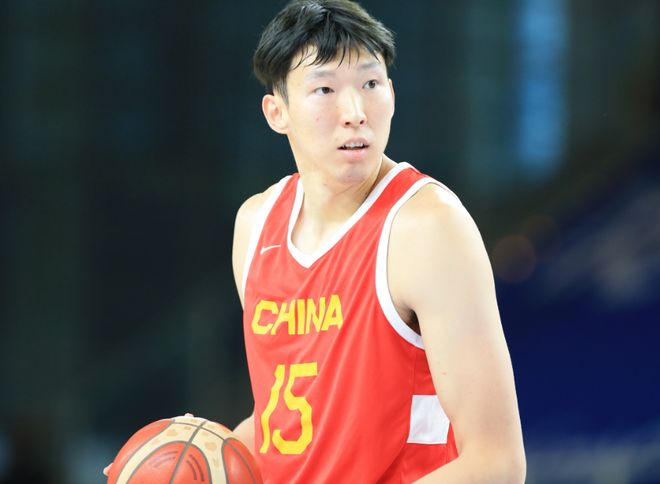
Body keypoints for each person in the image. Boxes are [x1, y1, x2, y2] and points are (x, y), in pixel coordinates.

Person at [231, 0, 525, 482]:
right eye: (325, 89)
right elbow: (285, 422)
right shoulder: (256, 225)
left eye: (370, 84)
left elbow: (498, 463)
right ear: (277, 112)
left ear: (391, 92)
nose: (355, 113)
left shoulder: (428, 227)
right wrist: (198, 451)